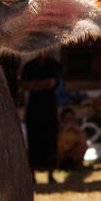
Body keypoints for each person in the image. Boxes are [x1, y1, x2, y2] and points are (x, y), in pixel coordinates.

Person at [21, 49, 61, 186]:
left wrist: (35, 85)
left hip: (49, 108)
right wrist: (42, 85)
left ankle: (50, 173)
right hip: (34, 108)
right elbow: (25, 85)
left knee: (50, 139)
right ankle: (32, 174)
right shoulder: (29, 66)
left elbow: (52, 83)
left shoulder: (54, 65)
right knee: (34, 140)